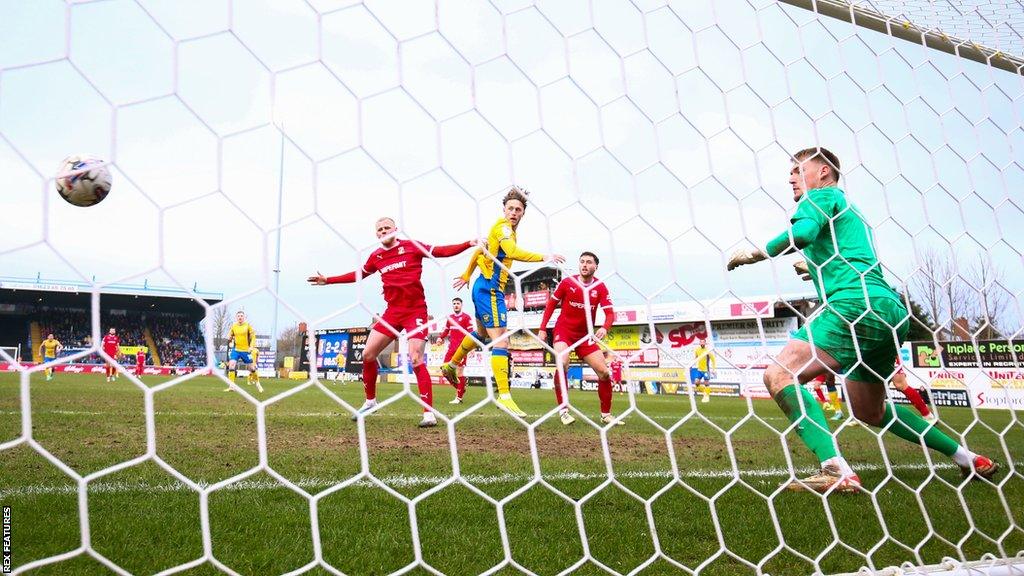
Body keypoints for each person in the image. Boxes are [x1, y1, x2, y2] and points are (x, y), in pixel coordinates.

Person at [727, 146, 998, 493]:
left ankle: (835, 470)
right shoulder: (852, 211)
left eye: (798, 170)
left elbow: (805, 232)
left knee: (780, 374)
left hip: (855, 305)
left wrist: (758, 252)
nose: (791, 178)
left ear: (824, 172)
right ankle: (969, 459)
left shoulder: (819, 198)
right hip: (888, 310)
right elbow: (846, 254)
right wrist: (814, 266)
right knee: (869, 410)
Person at [308, 217, 476, 428]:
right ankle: (370, 402)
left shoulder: (411, 247)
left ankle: (428, 413)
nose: (383, 231)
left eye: (387, 227)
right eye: (379, 230)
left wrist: (468, 244)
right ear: (376, 234)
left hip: (415, 311)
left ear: (396, 230)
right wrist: (328, 280)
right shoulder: (376, 256)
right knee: (368, 354)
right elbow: (359, 274)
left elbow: (441, 251)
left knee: (415, 357)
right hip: (392, 313)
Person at [439, 187, 564, 417]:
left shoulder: (499, 229)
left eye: (518, 209)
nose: (514, 212)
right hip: (491, 290)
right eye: (510, 209)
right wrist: (544, 257)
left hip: (480, 286)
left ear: (523, 213)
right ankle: (504, 395)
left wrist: (467, 275)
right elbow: (512, 251)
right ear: (503, 210)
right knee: (502, 341)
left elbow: (479, 252)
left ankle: (451, 365)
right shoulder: (503, 229)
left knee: (482, 334)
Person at [537, 251, 621, 426]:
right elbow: (551, 305)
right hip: (564, 331)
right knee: (563, 362)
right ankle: (564, 411)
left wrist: (605, 328)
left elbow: (610, 313)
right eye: (582, 261)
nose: (584, 265)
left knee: (604, 373)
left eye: (589, 262)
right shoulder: (568, 282)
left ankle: (606, 415)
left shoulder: (600, 287)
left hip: (585, 335)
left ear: (595, 267)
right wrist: (542, 329)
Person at [436, 297, 475, 404]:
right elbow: (446, 330)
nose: (456, 305)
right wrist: (440, 337)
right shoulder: (450, 318)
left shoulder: (466, 317)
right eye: (454, 303)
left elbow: (471, 332)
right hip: (451, 349)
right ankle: (460, 388)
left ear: (461, 305)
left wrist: (472, 347)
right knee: (444, 371)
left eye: (458, 303)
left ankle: (459, 398)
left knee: (459, 372)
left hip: (462, 349)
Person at [224, 311, 262, 393]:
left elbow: (253, 337)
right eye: (238, 316)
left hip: (246, 350)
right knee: (231, 365)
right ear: (236, 317)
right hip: (236, 349)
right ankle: (231, 386)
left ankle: (257, 383)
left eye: (241, 316)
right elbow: (230, 336)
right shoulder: (234, 326)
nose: (240, 317)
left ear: (244, 317)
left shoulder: (248, 326)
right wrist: (229, 338)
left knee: (252, 368)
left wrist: (251, 346)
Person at [691, 338, 716, 404]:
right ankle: (705, 392)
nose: (702, 343)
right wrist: (690, 365)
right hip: (699, 370)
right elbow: (695, 358)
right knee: (696, 383)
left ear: (705, 343)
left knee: (706, 383)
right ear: (699, 343)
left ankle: (706, 396)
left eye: (703, 342)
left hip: (706, 370)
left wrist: (713, 369)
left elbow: (713, 360)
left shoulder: (708, 351)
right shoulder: (697, 350)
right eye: (701, 342)